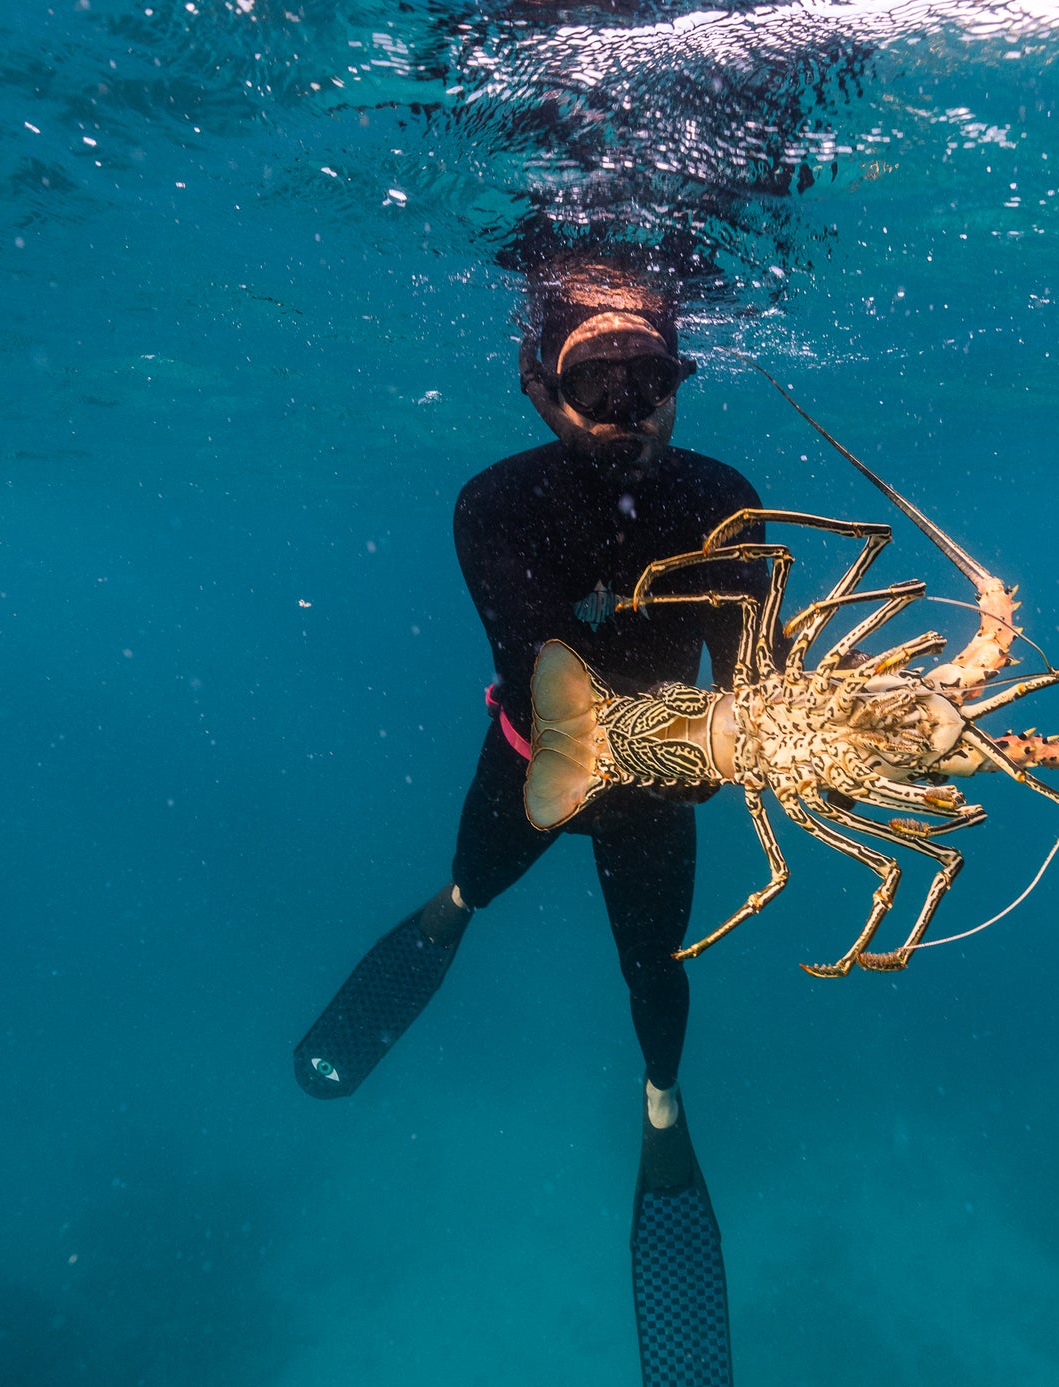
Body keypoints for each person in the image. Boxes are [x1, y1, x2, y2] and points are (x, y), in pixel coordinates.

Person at [294, 270, 768, 1133]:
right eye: (596, 383)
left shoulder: (723, 500)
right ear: (543, 387)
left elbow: (755, 680)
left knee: (655, 968)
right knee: (476, 882)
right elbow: (542, 675)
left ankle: (661, 1103)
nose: (626, 408)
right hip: (534, 772)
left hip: (658, 798)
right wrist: (719, 739)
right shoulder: (497, 503)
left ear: (679, 386)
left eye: (649, 381)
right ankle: (453, 909)